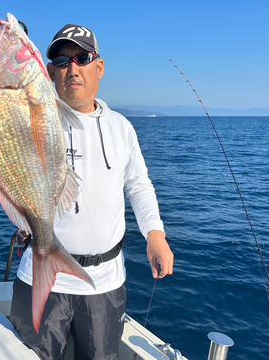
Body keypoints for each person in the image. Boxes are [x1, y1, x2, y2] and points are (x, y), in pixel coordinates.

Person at [10, 23, 174, 360]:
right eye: (61, 60)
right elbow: (7, 101)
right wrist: (13, 50)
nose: (72, 69)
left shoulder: (121, 128)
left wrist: (155, 234)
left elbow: (138, 184)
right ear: (50, 70)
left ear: (99, 67)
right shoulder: (35, 120)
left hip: (104, 283)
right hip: (40, 278)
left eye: (81, 58)